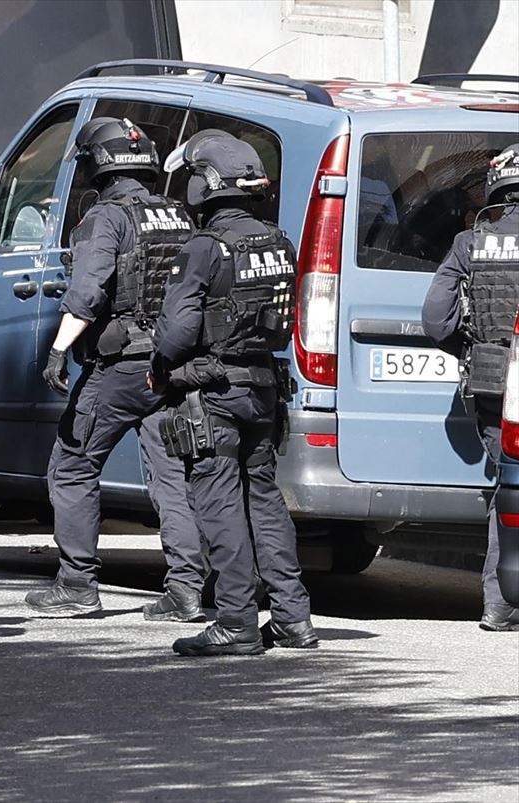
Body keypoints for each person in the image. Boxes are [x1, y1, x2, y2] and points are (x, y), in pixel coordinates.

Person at [22, 117, 202, 620]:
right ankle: (186, 591)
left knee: (73, 466)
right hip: (169, 365)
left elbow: (86, 292)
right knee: (171, 478)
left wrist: (59, 350)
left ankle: (77, 583)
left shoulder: (106, 217)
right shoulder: (177, 215)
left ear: (97, 165)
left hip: (120, 367)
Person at [149, 129, 317, 657]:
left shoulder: (204, 247)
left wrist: (159, 363)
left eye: (194, 177)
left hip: (213, 394)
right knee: (264, 501)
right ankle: (293, 620)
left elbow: (176, 334)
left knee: (218, 501)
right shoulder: (277, 241)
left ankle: (237, 622)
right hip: (263, 391)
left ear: (209, 185)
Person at [422, 142, 519, 632]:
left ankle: (500, 604)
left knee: (510, 486)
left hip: (492, 381)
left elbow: (436, 321)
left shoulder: (470, 243)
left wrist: (471, 345)